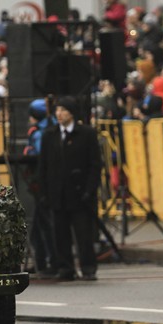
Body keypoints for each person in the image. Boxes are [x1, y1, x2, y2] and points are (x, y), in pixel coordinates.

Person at [37, 96, 102, 281]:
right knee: (61, 234)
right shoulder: (50, 135)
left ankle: (88, 267)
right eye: (57, 110)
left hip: (80, 193)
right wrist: (44, 191)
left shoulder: (86, 134)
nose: (59, 114)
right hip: (58, 193)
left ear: (72, 113)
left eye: (63, 110)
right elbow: (44, 166)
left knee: (83, 234)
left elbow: (95, 164)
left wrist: (90, 189)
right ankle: (65, 267)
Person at [23, 99, 57, 278]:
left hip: (42, 183)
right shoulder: (48, 129)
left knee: (45, 225)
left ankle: (50, 262)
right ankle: (42, 262)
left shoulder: (39, 134)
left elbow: (37, 156)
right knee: (38, 226)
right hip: (43, 183)